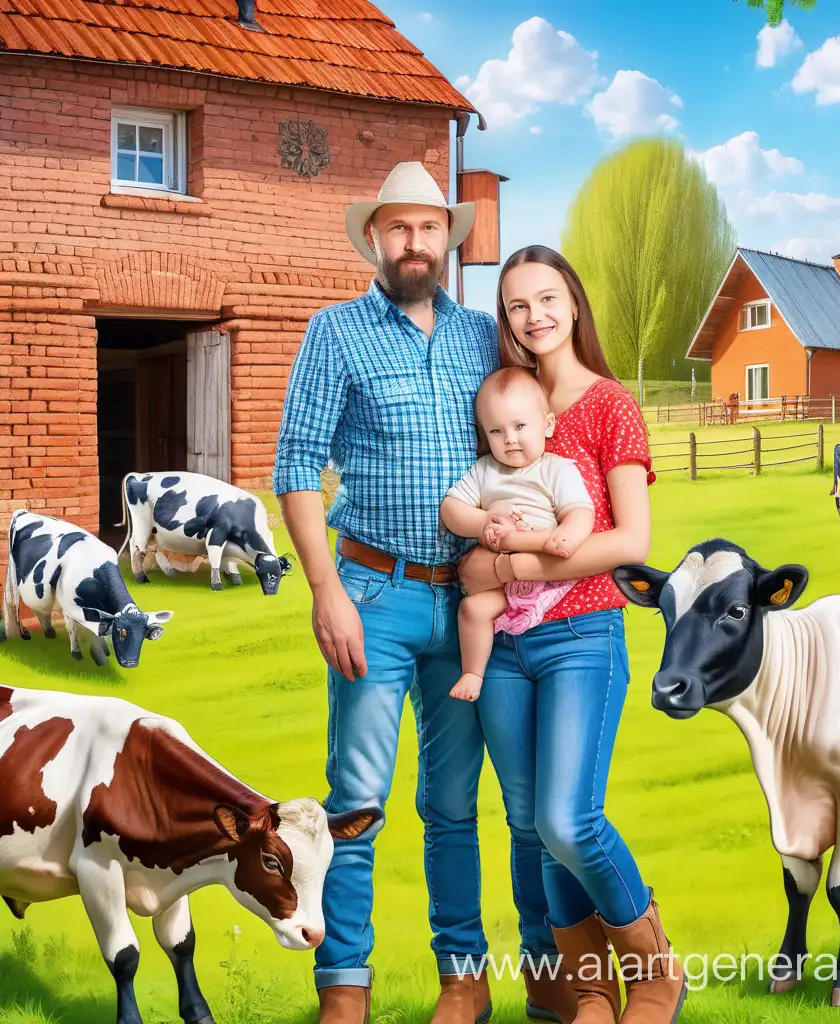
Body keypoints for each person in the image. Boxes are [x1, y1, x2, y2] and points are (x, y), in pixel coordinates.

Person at [273, 165, 576, 1024]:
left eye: (430, 229)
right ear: (375, 238)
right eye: (399, 229)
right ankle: (345, 987)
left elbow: (543, 426)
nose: (416, 244)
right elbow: (296, 466)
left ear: (451, 238)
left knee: (454, 805)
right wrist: (325, 590)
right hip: (372, 592)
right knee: (356, 801)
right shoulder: (333, 333)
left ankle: (464, 980)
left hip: (476, 603)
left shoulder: (487, 335)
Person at [458, 245, 687, 1023]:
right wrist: (483, 570)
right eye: (518, 306)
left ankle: (655, 971)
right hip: (504, 647)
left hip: (582, 633)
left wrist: (518, 561)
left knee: (567, 818)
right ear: (506, 320)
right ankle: (586, 989)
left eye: (548, 298)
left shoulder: (608, 404)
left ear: (575, 303)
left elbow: (631, 544)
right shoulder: (499, 402)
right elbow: (474, 511)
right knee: (527, 825)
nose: (536, 317)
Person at [441, 367, 594, 701]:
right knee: (471, 611)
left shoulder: (556, 469)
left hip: (544, 572)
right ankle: (473, 673)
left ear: (548, 424)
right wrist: (483, 521)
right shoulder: (485, 471)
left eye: (520, 426)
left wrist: (567, 534)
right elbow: (451, 509)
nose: (509, 438)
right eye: (496, 431)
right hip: (501, 585)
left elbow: (580, 511)